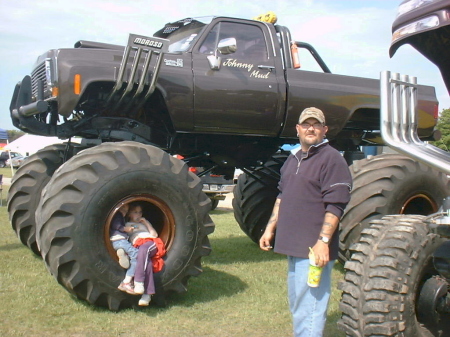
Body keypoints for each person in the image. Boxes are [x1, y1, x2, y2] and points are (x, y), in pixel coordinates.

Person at [259, 107, 352, 337]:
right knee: (298, 303)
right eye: (306, 124)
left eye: (316, 124)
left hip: (314, 250)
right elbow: (283, 195)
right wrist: (269, 229)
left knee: (309, 307)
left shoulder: (332, 159)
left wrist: (323, 242)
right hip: (293, 245)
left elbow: (336, 205)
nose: (311, 128)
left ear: (325, 129)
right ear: (298, 129)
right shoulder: (293, 159)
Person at [127, 202, 166, 306]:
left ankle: (138, 281)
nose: (138, 215)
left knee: (144, 250)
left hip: (150, 243)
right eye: (135, 212)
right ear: (129, 214)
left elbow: (154, 235)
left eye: (140, 212)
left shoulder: (144, 224)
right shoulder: (127, 225)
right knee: (146, 261)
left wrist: (146, 223)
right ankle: (147, 295)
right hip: (137, 245)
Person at [109, 203, 139, 294]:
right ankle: (126, 282)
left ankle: (122, 253)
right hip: (121, 239)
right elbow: (116, 225)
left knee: (129, 253)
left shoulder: (120, 216)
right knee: (137, 255)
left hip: (116, 242)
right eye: (123, 209)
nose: (124, 212)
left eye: (126, 210)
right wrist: (125, 229)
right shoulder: (118, 215)